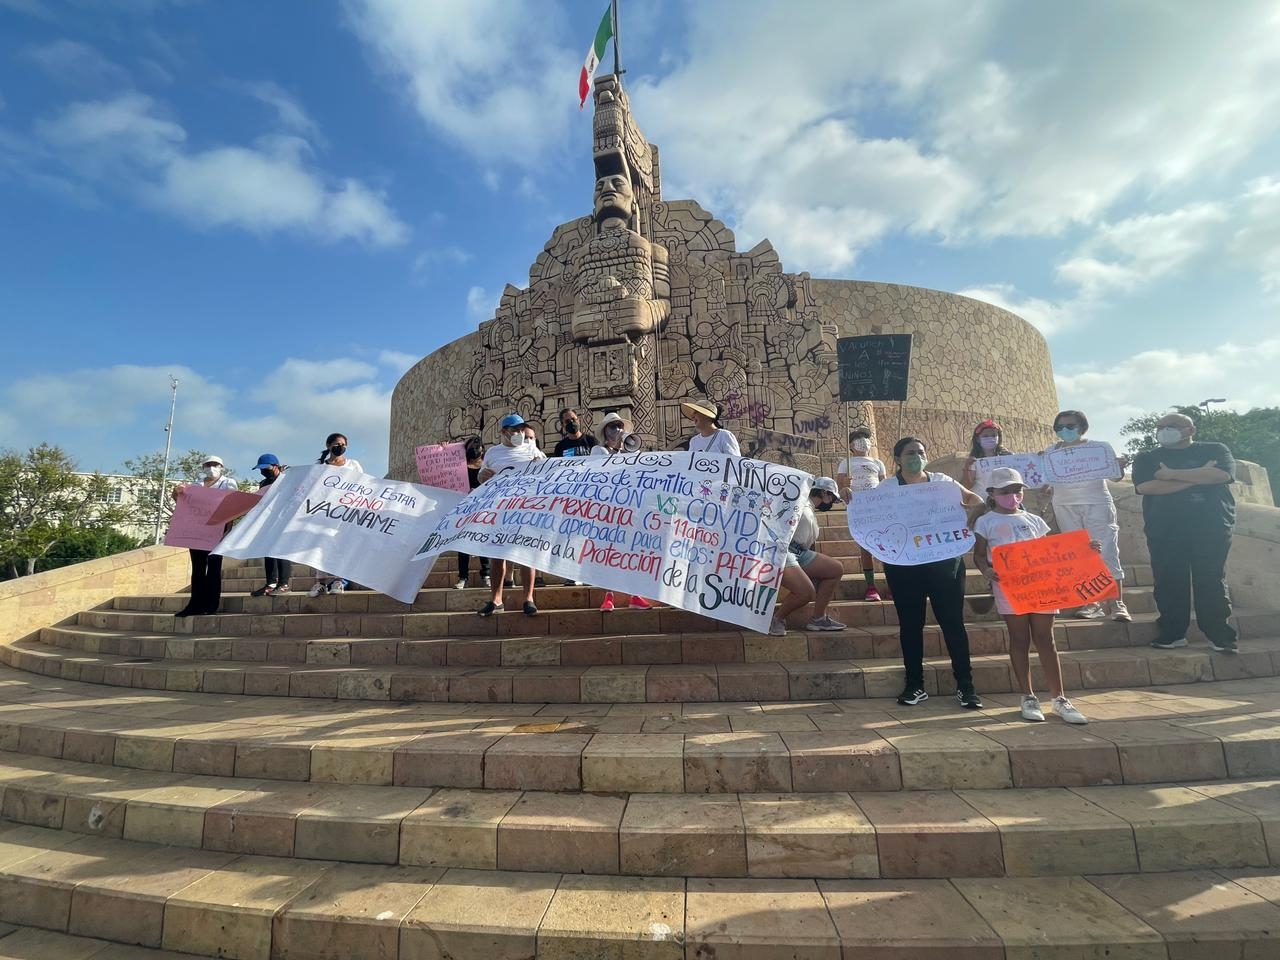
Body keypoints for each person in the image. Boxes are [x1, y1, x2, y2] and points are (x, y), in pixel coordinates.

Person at [973, 467, 1089, 724]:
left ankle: (1059, 698)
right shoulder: (986, 521)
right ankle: (1027, 695)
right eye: (1006, 491)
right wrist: (987, 570)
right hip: (1009, 587)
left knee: (1045, 639)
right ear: (992, 493)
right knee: (1019, 639)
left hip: (1042, 586)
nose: (1013, 495)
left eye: (1017, 490)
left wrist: (1084, 548)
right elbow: (979, 554)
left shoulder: (1035, 520)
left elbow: (1054, 549)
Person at [878, 437, 986, 708]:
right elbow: (871, 515)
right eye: (911, 452)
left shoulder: (941, 482)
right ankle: (915, 685)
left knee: (953, 624)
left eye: (921, 452)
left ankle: (966, 686)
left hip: (944, 563)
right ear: (898, 459)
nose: (917, 456)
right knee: (910, 626)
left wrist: (969, 513)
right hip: (904, 566)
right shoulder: (888, 487)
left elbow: (975, 499)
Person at [1132, 412, 1238, 654]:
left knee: (1210, 579)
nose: (1163, 431)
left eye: (1170, 426)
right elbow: (1147, 486)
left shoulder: (1215, 449)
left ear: (1190, 430)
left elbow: (1222, 475)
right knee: (1169, 580)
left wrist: (1171, 475)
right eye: (1159, 427)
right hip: (1164, 528)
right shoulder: (1148, 457)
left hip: (1211, 525)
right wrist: (1198, 476)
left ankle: (1220, 634)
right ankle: (1172, 633)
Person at [1044, 410, 1130, 622]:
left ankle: (1116, 602)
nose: (1065, 431)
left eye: (1070, 426)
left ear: (1082, 427)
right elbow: (1045, 481)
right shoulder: (1051, 452)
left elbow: (1116, 477)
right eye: (1060, 427)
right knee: (1078, 554)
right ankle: (1091, 602)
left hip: (1097, 503)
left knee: (1107, 550)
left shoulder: (1099, 448)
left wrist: (1118, 466)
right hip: (1065, 505)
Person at [478, 413, 547, 617]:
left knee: (527, 554)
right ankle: (496, 599)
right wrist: (482, 476)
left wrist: (540, 463)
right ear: (503, 432)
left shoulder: (532, 449)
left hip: (526, 509)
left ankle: (528, 598)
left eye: (520, 430)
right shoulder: (493, 453)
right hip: (501, 509)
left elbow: (549, 472)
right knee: (498, 555)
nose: (518, 433)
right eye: (514, 430)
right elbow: (483, 476)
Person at [769, 477, 849, 635]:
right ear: (824, 493)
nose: (832, 503)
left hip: (799, 551)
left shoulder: (808, 506)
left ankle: (818, 618)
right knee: (805, 592)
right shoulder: (798, 503)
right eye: (832, 498)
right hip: (783, 551)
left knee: (835, 569)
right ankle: (777, 619)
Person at [590, 412, 654, 610]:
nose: (617, 430)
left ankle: (635, 595)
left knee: (632, 551)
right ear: (605, 432)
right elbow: (603, 472)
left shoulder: (628, 451)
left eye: (619, 426)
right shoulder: (598, 451)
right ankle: (608, 595)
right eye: (612, 427)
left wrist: (628, 450)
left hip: (628, 509)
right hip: (608, 510)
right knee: (609, 553)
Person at [172, 454, 238, 618]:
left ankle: (211, 604)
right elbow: (183, 504)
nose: (211, 467)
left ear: (221, 467)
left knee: (214, 568)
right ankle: (195, 604)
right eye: (208, 464)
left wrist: (227, 529)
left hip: (217, 530)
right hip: (197, 531)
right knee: (198, 568)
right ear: (203, 467)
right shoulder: (196, 485)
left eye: (215, 464)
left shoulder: (228, 483)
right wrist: (176, 493)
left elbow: (232, 507)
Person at [308, 433, 364, 597]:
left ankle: (339, 581)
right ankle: (321, 583)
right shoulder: (320, 466)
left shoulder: (353, 465)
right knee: (320, 545)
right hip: (324, 512)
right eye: (336, 444)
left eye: (342, 444)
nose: (340, 446)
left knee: (341, 545)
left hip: (346, 512)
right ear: (328, 446)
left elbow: (364, 486)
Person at [836, 426, 887, 601]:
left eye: (865, 438)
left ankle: (893, 584)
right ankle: (871, 586)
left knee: (887, 544)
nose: (863, 441)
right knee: (866, 547)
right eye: (859, 438)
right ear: (851, 445)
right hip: (859, 508)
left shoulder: (878, 462)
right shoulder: (846, 462)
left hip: (878, 507)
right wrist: (844, 484)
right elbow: (840, 486)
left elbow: (884, 484)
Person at [250, 453, 292, 596]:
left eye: (265, 468)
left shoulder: (287, 478)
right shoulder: (264, 483)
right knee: (267, 552)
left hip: (283, 519)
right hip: (267, 521)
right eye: (260, 469)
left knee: (280, 551)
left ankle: (284, 583)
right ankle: (271, 583)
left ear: (275, 466)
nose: (263, 471)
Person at [454, 436, 491, 590]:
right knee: (462, 543)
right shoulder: (459, 467)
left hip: (483, 508)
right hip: (464, 509)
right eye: (471, 446)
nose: (474, 448)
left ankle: (486, 574)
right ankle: (463, 577)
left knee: (482, 540)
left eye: (477, 445)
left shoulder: (487, 466)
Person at [962, 419, 1013, 492]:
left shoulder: (1006, 457)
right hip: (982, 501)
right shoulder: (974, 461)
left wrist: (1012, 459)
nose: (990, 438)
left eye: (993, 435)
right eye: (985, 436)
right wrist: (967, 468)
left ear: (999, 438)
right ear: (978, 439)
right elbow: (967, 486)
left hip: (1002, 501)